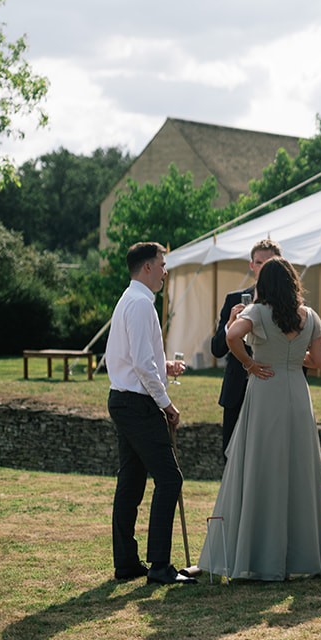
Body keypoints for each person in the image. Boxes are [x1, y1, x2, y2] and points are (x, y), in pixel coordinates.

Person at [197, 257, 321, 581]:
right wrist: (290, 356)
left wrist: (250, 362)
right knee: (297, 471)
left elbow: (232, 337)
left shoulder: (257, 312)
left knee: (261, 467)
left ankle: (258, 554)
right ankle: (298, 556)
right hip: (297, 395)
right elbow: (320, 360)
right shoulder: (309, 316)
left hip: (265, 390)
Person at [107, 242, 195, 585]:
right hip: (137, 404)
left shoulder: (130, 299)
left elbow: (136, 358)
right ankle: (160, 565)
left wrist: (165, 367)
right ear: (147, 267)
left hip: (124, 398)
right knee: (169, 479)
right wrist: (167, 404)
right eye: (162, 264)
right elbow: (141, 364)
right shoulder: (141, 304)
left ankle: (127, 562)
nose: (165, 271)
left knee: (130, 482)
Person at [209, 238, 282, 451]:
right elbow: (217, 349)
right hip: (237, 389)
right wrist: (230, 327)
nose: (264, 268)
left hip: (272, 387)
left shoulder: (291, 305)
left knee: (267, 454)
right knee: (231, 454)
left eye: (270, 263)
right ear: (251, 265)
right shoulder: (234, 300)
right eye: (259, 263)